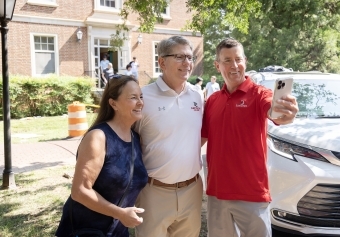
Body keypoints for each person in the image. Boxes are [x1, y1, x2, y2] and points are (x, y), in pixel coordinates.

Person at [201, 38, 299, 237]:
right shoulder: (212, 100)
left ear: (245, 60)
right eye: (227, 60)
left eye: (238, 59)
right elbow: (200, 141)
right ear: (217, 65)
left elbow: (273, 110)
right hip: (217, 193)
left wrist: (283, 112)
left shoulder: (259, 94)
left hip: (251, 193)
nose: (234, 65)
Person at [55, 75, 148, 237]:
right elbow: (80, 191)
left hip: (118, 232)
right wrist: (120, 213)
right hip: (85, 231)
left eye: (141, 96)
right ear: (113, 103)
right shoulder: (98, 137)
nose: (140, 102)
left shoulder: (135, 138)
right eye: (133, 97)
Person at [134, 36, 204, 237]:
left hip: (192, 190)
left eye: (190, 57)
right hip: (153, 192)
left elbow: (200, 135)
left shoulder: (197, 95)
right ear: (162, 62)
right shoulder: (142, 97)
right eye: (180, 57)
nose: (187, 63)